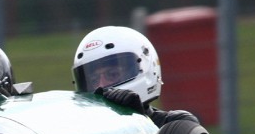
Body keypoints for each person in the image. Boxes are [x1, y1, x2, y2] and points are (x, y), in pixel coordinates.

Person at [71, 25, 199, 128]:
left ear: (145, 66)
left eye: (112, 74)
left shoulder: (176, 125)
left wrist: (139, 120)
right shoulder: (82, 133)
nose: (101, 86)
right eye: (93, 80)